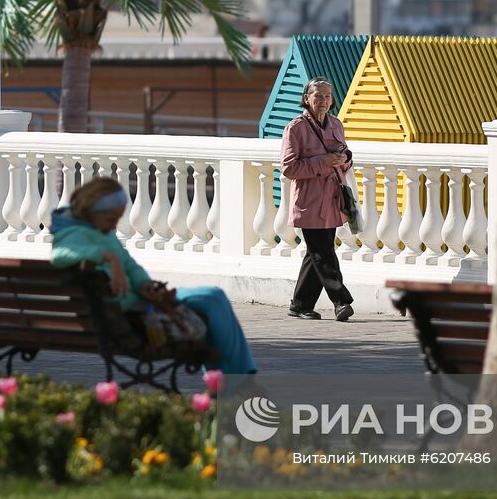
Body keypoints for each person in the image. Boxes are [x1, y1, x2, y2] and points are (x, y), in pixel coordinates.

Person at [50, 176, 257, 374]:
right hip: (130, 314)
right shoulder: (73, 234)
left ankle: (225, 380)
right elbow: (59, 256)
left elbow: (130, 266)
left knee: (212, 304)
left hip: (135, 303)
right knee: (212, 298)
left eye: (117, 219)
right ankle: (238, 379)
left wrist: (144, 285)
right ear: (92, 212)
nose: (114, 226)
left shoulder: (99, 231)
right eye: (110, 219)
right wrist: (109, 257)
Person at [280, 76, 355, 322]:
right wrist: (324, 162)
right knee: (323, 253)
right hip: (309, 201)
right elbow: (289, 168)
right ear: (306, 98)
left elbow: (345, 159)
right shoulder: (295, 128)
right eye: (318, 95)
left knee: (316, 253)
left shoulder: (336, 124)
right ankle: (341, 301)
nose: (323, 100)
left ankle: (300, 304)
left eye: (327, 96)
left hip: (332, 199)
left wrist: (344, 160)